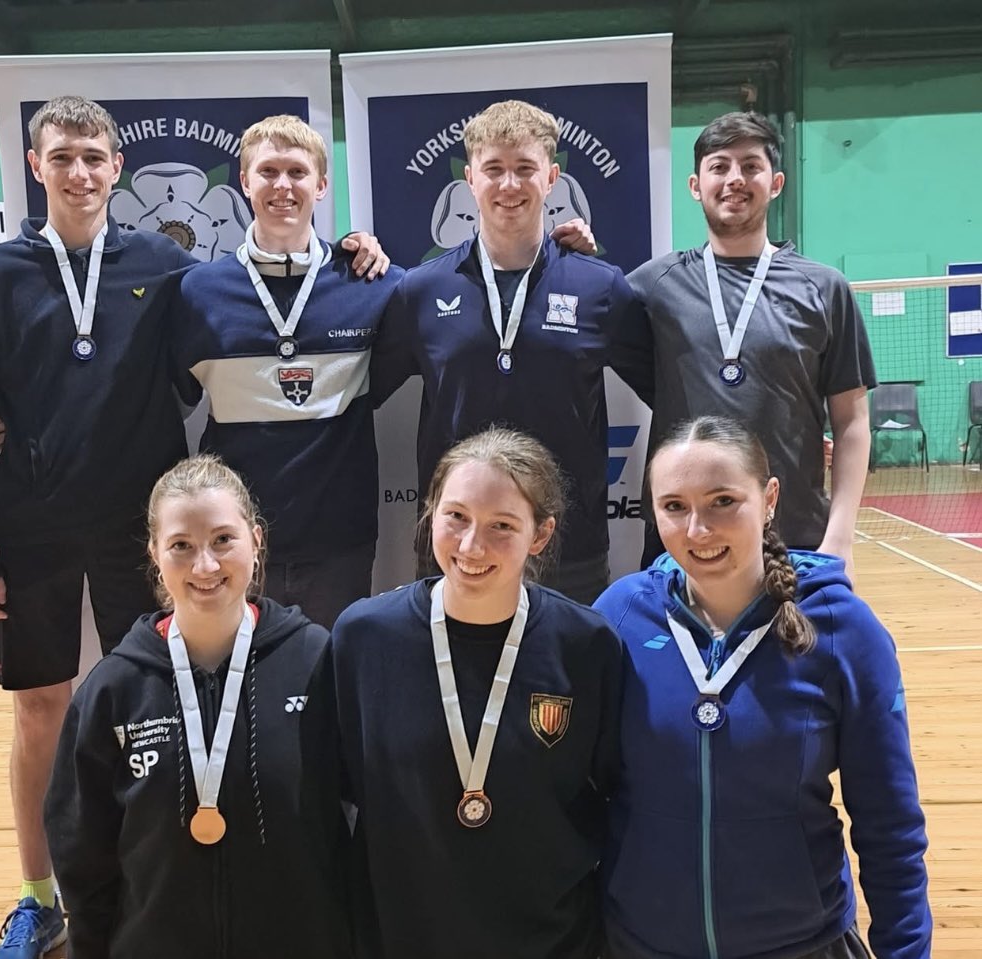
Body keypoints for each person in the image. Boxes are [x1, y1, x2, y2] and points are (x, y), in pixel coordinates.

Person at [0, 95, 194, 958]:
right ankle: (38, 897)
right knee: (41, 708)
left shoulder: (164, 263)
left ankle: (149, 883)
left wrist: (356, 251)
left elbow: (246, 308)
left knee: (151, 702)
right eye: (62, 157)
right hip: (34, 527)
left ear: (117, 167)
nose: (79, 172)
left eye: (94, 156)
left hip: (141, 529)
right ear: (35, 167)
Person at [592, 416, 931, 959]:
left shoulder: (843, 629)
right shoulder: (620, 616)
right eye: (674, 506)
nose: (697, 531)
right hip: (639, 944)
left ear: (769, 498)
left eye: (723, 502)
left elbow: (889, 825)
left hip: (804, 944)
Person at [333, 426, 623, 959]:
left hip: (551, 943)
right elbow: (343, 792)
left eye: (502, 526)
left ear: (540, 535)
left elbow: (612, 797)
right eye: (456, 517)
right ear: (430, 513)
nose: (471, 546)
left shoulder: (587, 645)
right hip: (397, 940)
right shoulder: (364, 638)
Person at [44, 454, 349, 958]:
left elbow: (361, 822)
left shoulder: (315, 662)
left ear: (256, 539)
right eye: (181, 545)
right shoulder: (115, 688)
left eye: (223, 539)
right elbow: (81, 853)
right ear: (155, 553)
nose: (205, 565)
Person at [371, 99, 654, 604]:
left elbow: (670, 390)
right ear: (469, 179)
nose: (509, 185)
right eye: (493, 169)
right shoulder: (420, 291)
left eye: (525, 168)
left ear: (551, 178)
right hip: (459, 547)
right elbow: (359, 392)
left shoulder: (601, 287)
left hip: (570, 550)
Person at [173, 114, 405, 629]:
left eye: (298, 172)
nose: (283, 186)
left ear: (321, 185)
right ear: (244, 181)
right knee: (238, 676)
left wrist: (569, 256)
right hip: (231, 541)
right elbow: (174, 398)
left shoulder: (370, 283)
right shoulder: (197, 292)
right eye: (268, 171)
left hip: (339, 541)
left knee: (330, 673)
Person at [628, 112, 875, 572]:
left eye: (750, 166)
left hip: (795, 537)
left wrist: (840, 538)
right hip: (682, 542)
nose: (735, 179)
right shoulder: (653, 286)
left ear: (775, 182)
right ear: (695, 186)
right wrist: (571, 248)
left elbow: (852, 422)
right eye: (719, 167)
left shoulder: (824, 288)